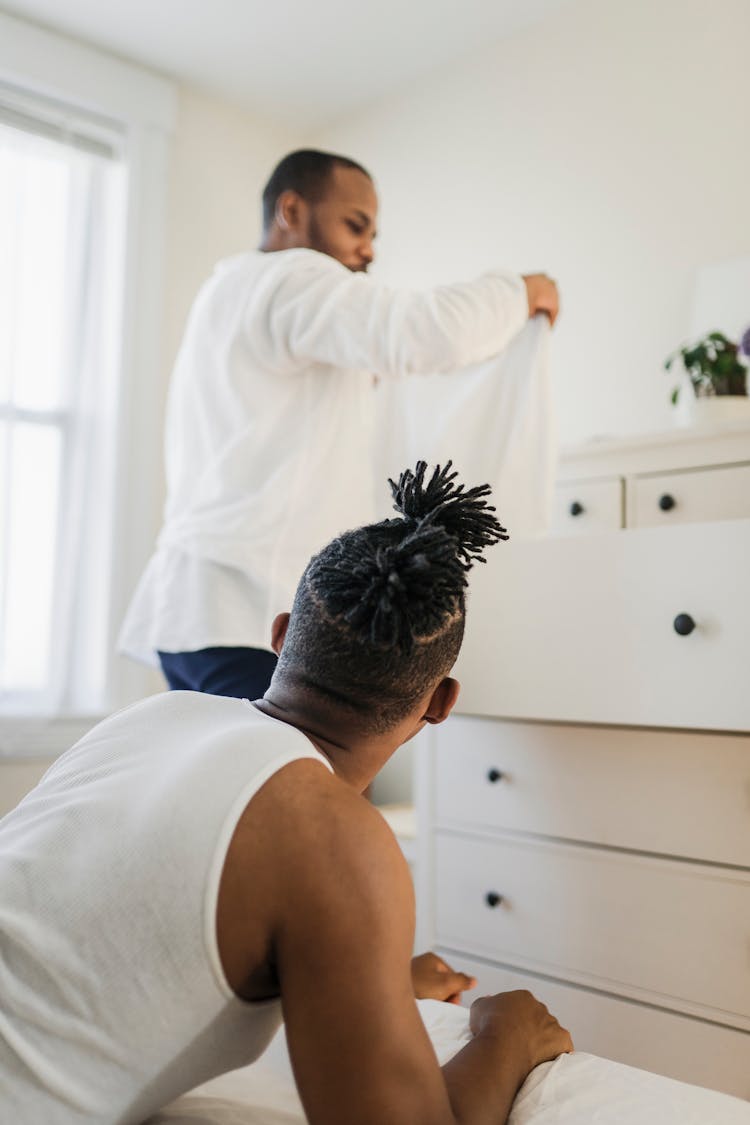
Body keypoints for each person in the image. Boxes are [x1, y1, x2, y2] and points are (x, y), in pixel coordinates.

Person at [1, 461, 573, 1125]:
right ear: (441, 703)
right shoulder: (341, 843)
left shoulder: (150, 719)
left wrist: (367, 981)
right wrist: (509, 1035)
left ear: (277, 636)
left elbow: (120, 936)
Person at [118, 148, 560, 700]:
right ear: (292, 211)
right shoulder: (293, 278)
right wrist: (521, 290)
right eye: (356, 225)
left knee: (242, 785)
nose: (369, 249)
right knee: (319, 784)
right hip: (248, 617)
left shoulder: (227, 295)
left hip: (191, 614)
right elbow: (421, 332)